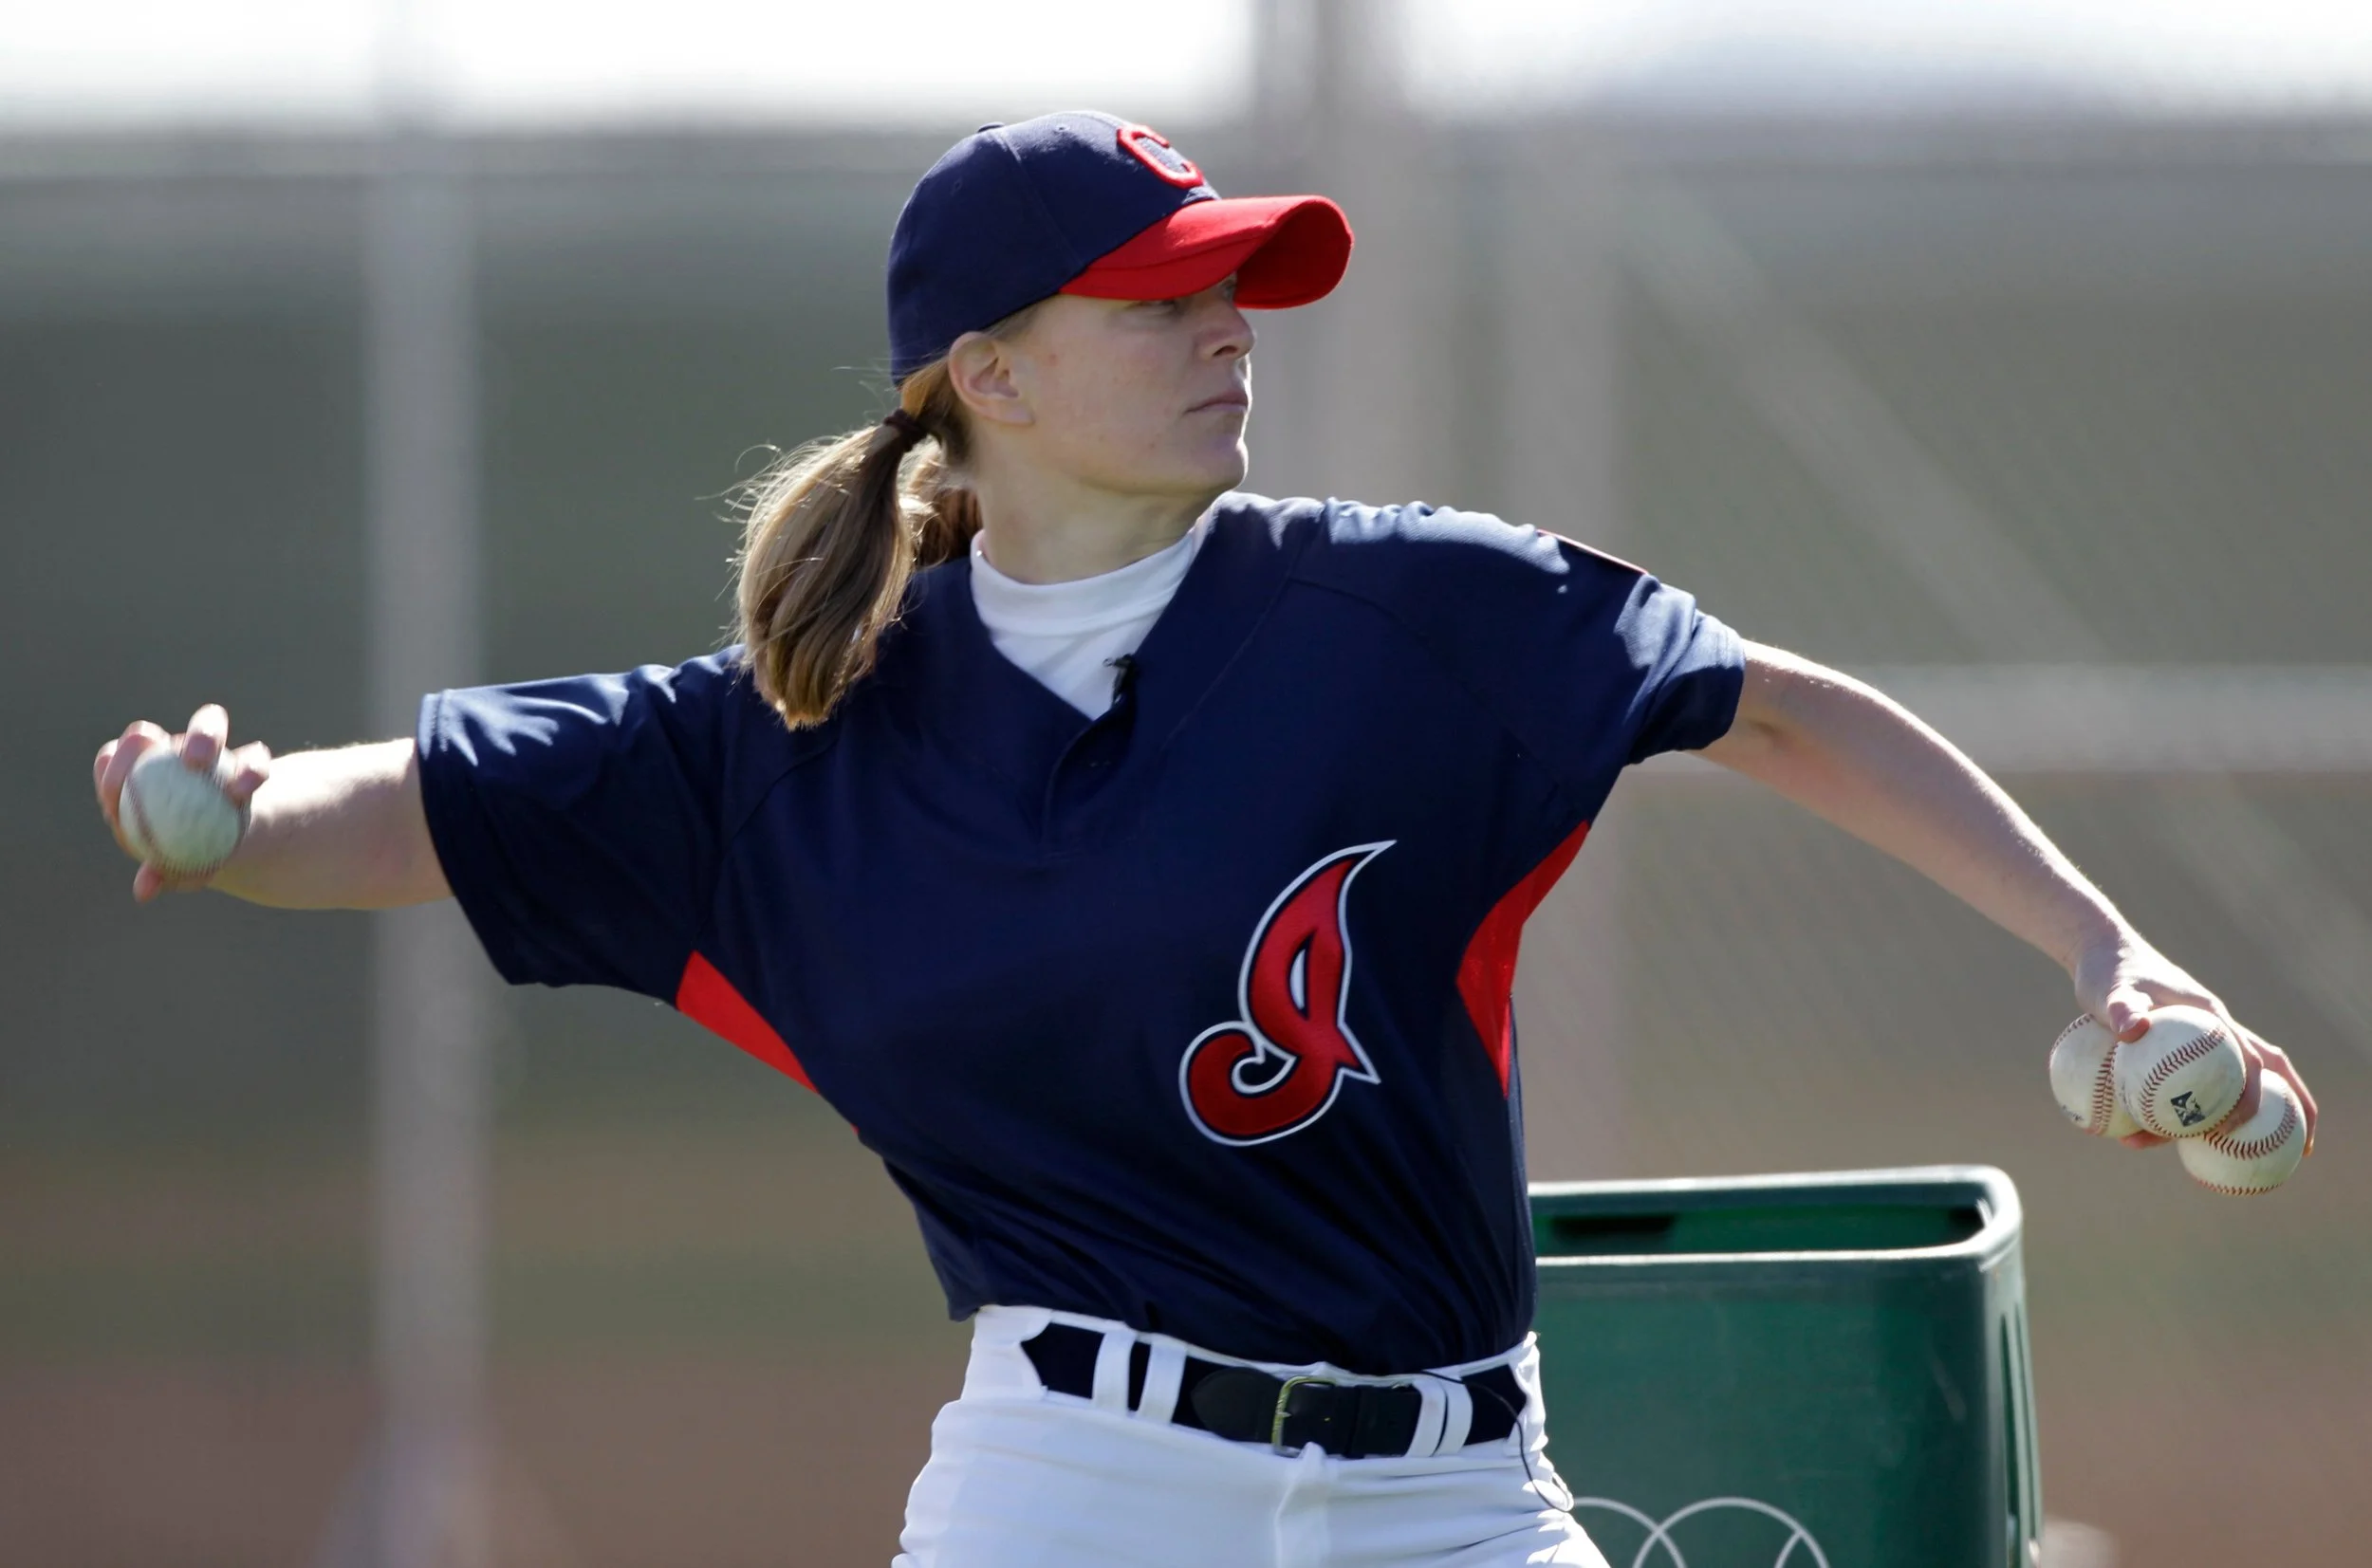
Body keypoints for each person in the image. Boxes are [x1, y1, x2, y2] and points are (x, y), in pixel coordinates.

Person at [93, 111, 2317, 1568]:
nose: (1223, 325)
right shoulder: (794, 740)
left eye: (1232, 280)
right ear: (989, 373)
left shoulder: (1411, 615)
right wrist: (229, 815)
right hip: (1070, 1488)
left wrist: (2101, 953)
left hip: (1458, 1496)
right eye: (1157, 296)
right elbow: (420, 813)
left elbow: (1773, 707)